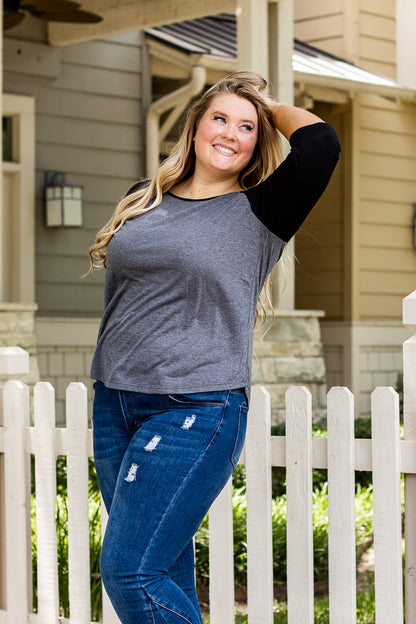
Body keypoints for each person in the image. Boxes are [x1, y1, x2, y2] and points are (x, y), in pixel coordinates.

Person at [88, 71, 340, 624]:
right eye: (219, 118)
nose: (230, 132)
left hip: (196, 407)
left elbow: (321, 142)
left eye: (246, 126)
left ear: (258, 140)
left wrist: (264, 102)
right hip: (116, 402)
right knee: (162, 571)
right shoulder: (143, 196)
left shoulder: (263, 209)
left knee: (129, 571)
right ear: (195, 126)